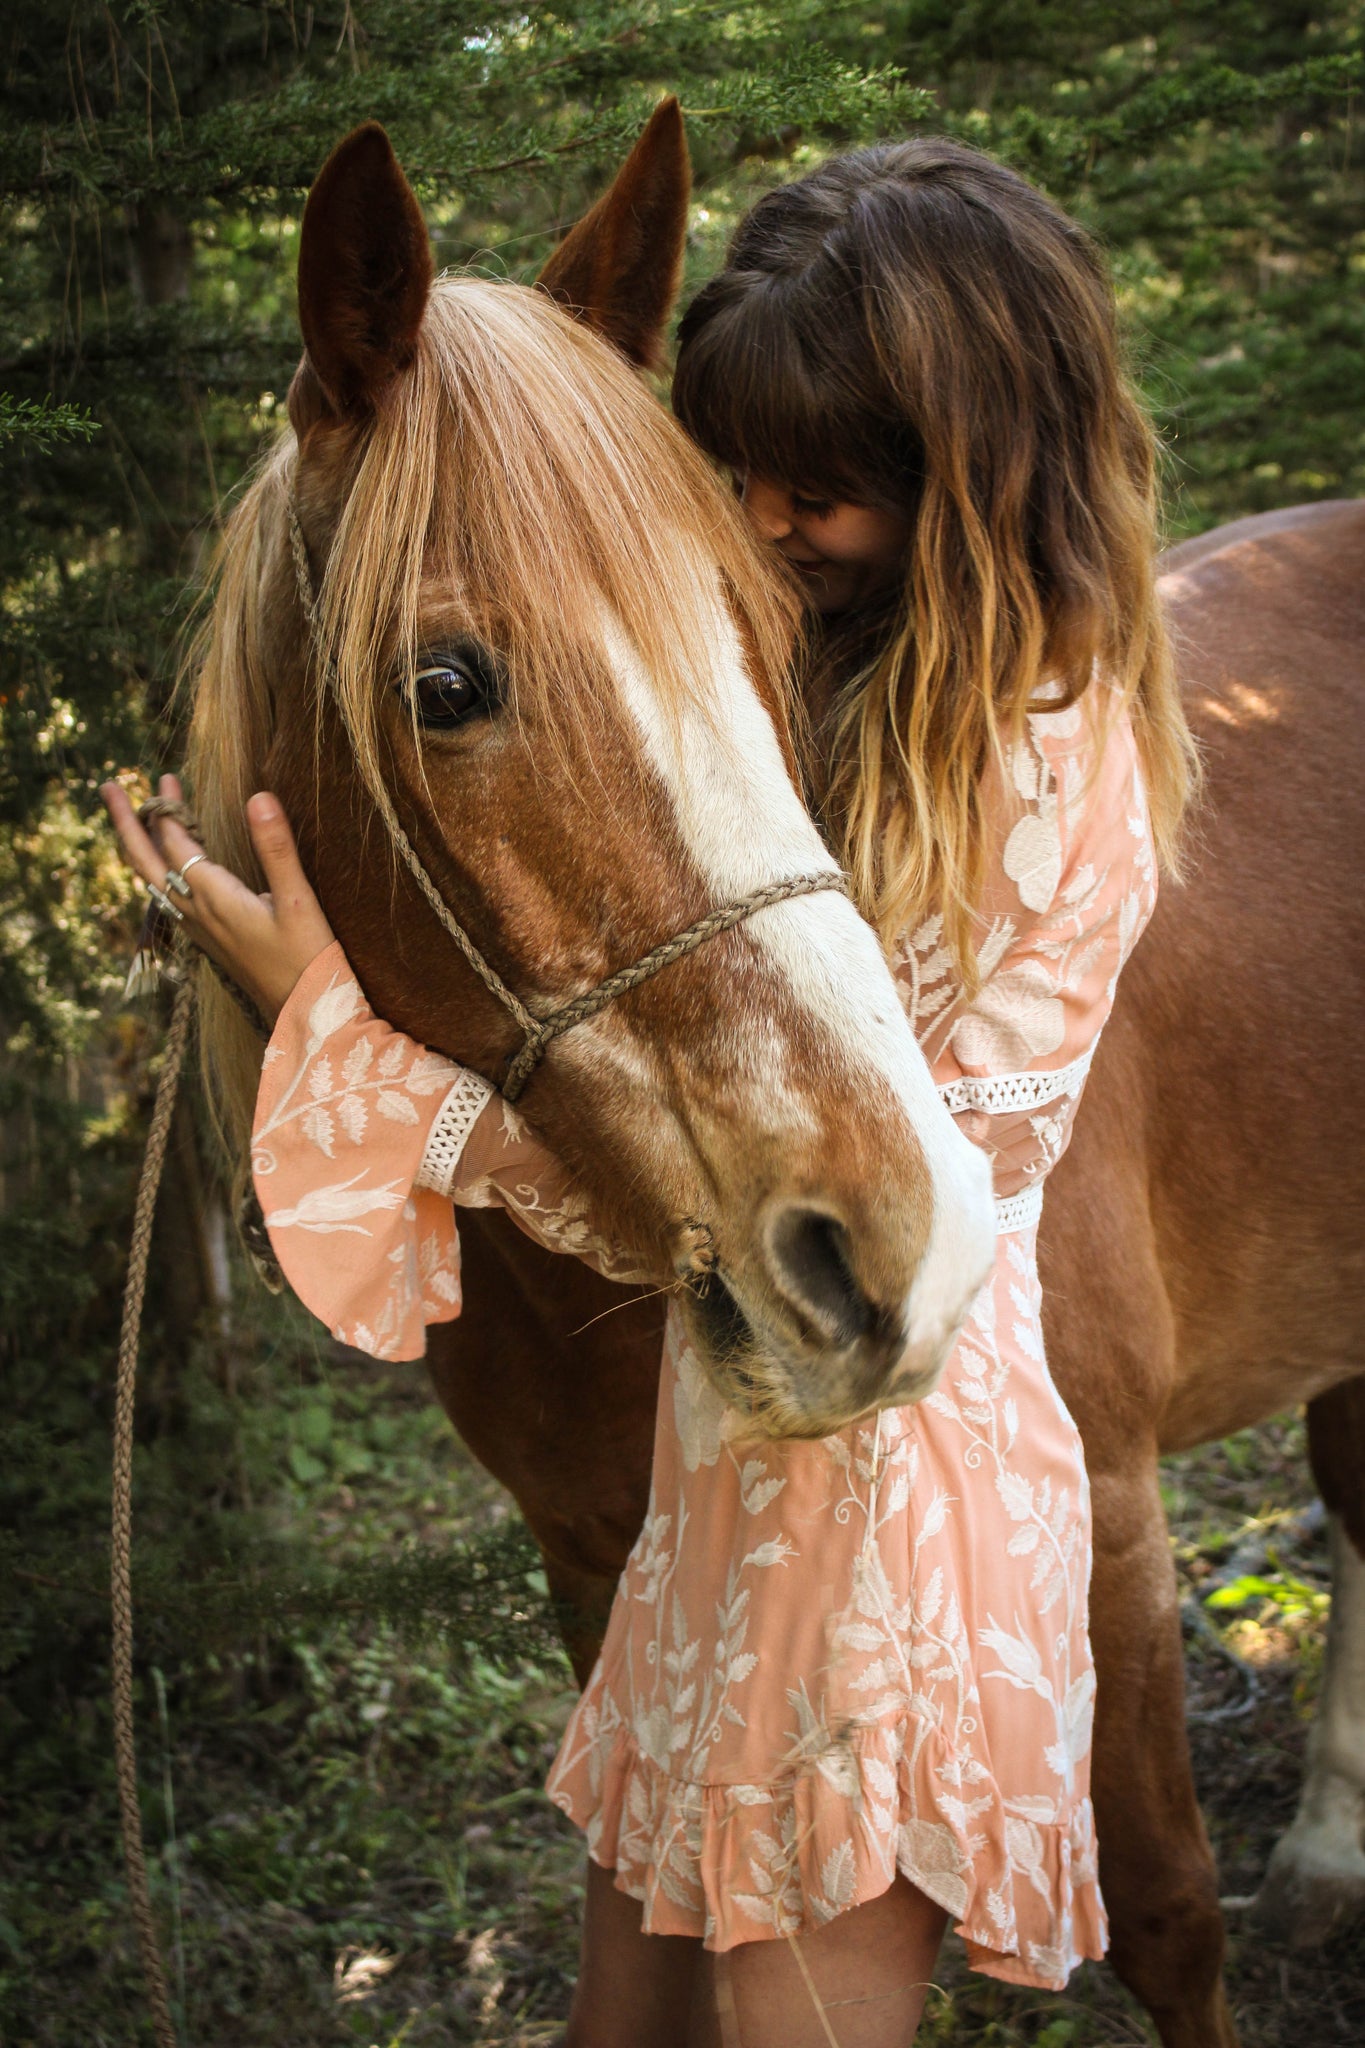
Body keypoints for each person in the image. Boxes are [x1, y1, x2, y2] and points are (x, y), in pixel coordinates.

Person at [104, 137, 1195, 2046]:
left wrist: (336, 1047)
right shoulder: (808, 681)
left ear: (977, 479)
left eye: (823, 491)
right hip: (724, 1496)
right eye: (736, 477)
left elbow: (856, 1207)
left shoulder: (1037, 751)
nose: (767, 522)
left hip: (888, 1499)